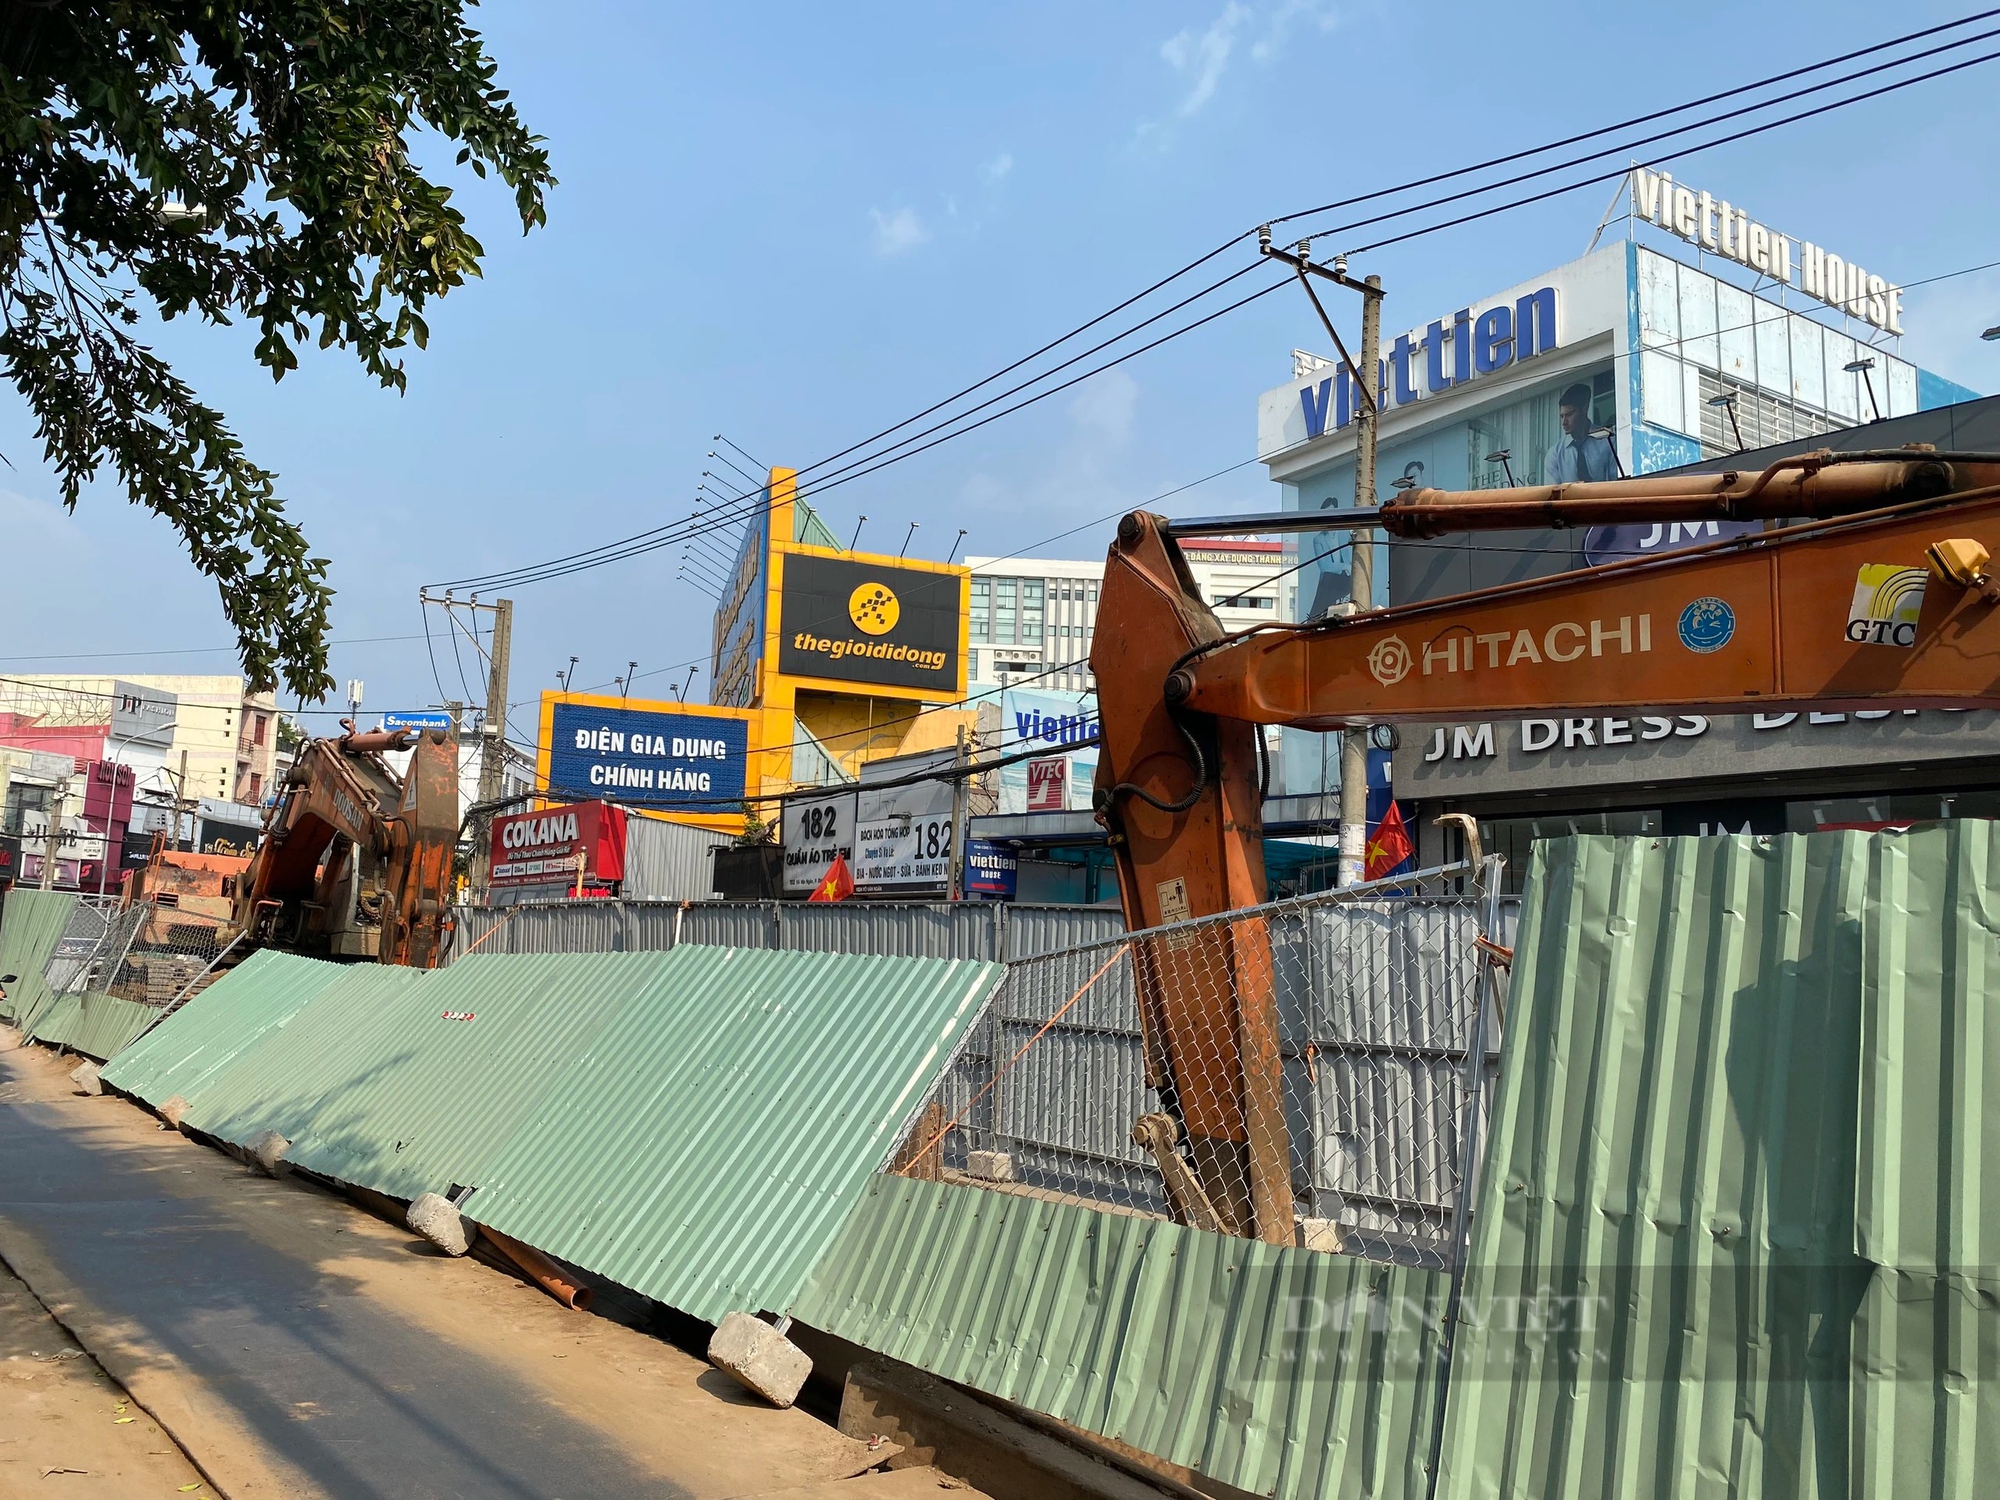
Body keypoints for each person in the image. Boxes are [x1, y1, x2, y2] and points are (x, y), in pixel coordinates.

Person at [1544, 383, 1618, 483]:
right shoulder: (1555, 454)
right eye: (1562, 416)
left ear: (1585, 409)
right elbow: (1553, 493)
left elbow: (1617, 483)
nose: (1564, 422)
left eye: (1569, 414)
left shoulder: (1608, 442)